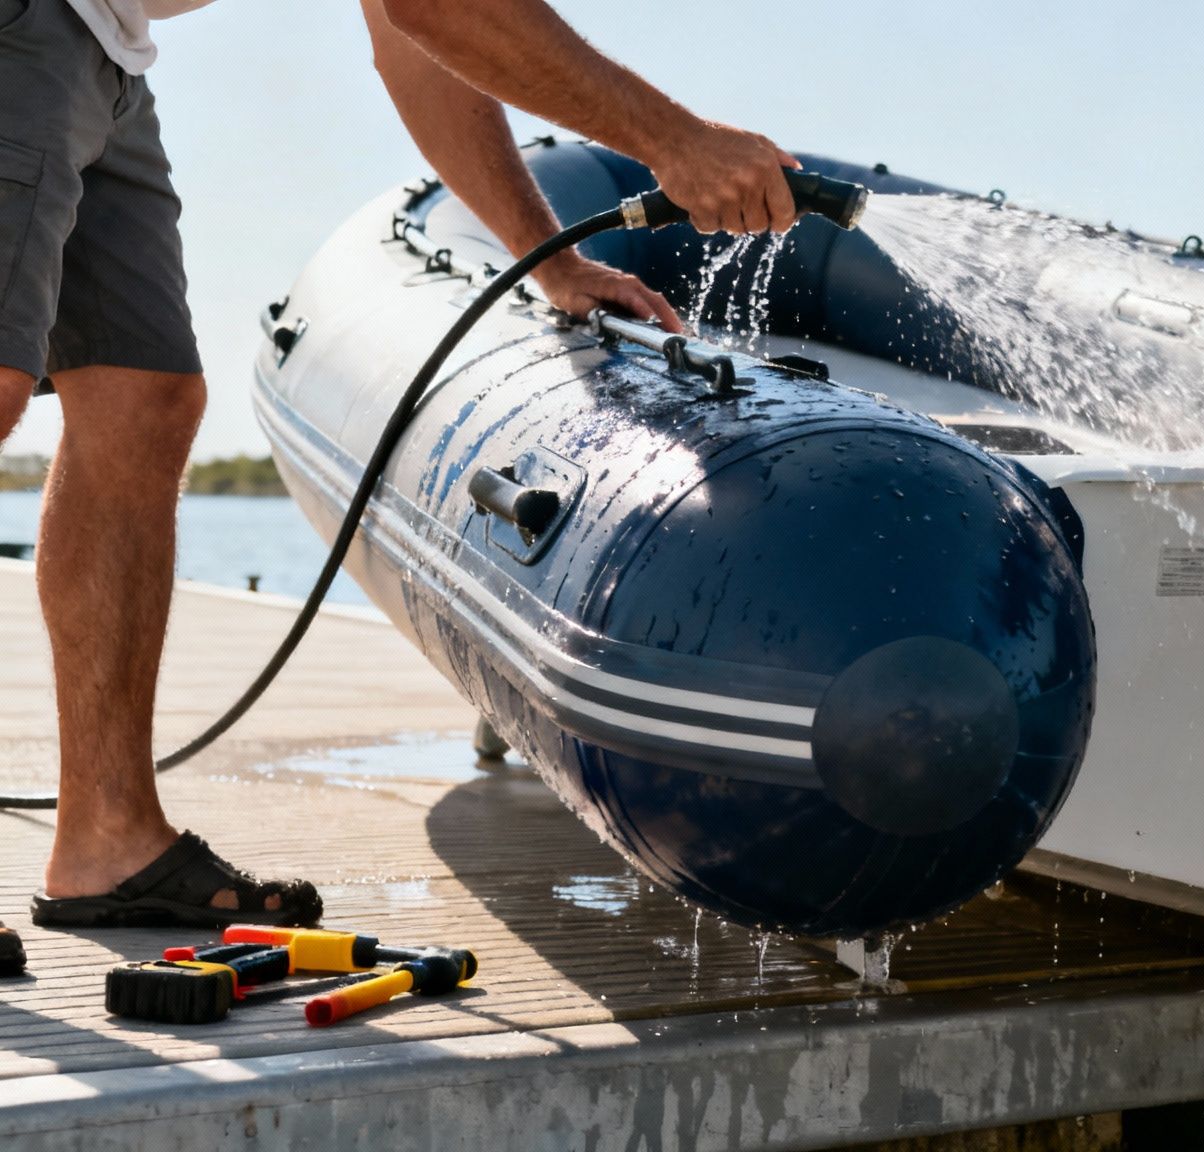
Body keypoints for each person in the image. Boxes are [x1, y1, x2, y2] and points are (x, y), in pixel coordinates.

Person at [0, 0, 799, 972]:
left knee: (145, 402)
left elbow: (410, 39)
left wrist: (544, 261)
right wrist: (674, 141)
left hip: (100, 49)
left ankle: (108, 841)